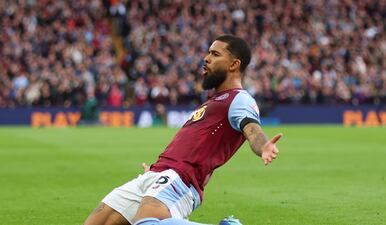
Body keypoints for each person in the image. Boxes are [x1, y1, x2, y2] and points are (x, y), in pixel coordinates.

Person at [84, 34, 282, 225]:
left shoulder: (239, 99)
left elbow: (251, 128)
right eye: (208, 53)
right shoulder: (213, 101)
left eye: (215, 54)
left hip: (181, 179)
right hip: (156, 174)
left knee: (148, 223)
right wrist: (156, 171)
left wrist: (263, 145)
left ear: (234, 64)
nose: (206, 58)